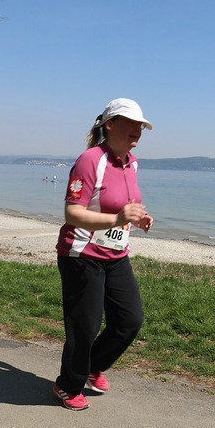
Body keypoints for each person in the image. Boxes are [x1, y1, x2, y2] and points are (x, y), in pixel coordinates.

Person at [53, 98, 154, 410]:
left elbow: (123, 205)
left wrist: (139, 217)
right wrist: (117, 219)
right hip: (81, 254)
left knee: (130, 320)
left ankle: (93, 365)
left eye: (141, 126)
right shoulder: (90, 160)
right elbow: (72, 213)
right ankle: (68, 385)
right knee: (84, 325)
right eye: (131, 123)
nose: (138, 130)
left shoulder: (131, 162)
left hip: (116, 255)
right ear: (109, 125)